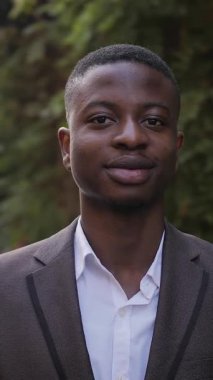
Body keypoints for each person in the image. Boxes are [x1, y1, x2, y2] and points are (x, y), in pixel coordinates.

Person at [0, 44, 213, 380]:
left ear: (177, 146)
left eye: (153, 121)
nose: (131, 137)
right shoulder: (4, 288)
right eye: (102, 119)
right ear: (67, 147)